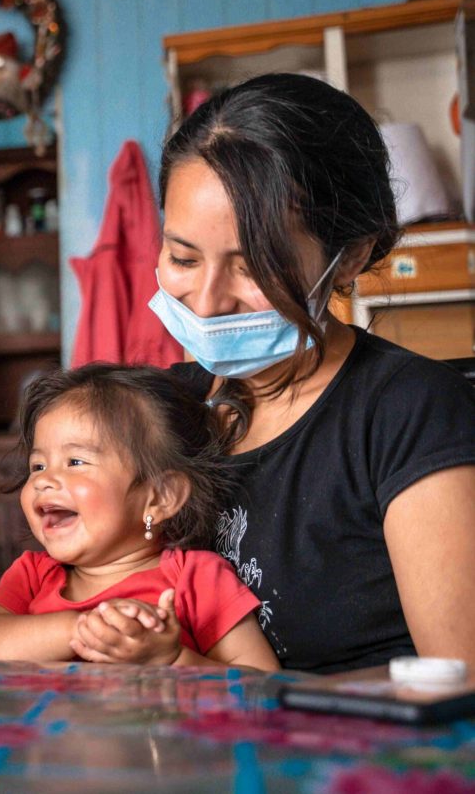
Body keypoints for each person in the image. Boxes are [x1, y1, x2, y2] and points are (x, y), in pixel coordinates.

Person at [151, 72, 475, 673]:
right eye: (182, 257)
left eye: (254, 267)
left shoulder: (409, 414)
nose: (207, 299)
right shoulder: (159, 413)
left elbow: (459, 681)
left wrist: (209, 680)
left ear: (349, 255)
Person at [0, 364, 279, 670]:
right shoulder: (32, 575)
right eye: (38, 465)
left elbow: (261, 683)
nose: (42, 480)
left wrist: (173, 659)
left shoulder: (196, 579)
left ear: (161, 497)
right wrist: (82, 628)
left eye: (75, 462)